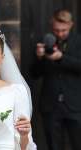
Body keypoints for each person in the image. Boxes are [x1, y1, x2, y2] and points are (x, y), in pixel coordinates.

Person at [32, 9, 81, 150]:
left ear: (71, 24)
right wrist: (39, 58)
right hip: (51, 105)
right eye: (56, 30)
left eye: (63, 30)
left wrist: (61, 58)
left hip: (75, 105)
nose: (59, 33)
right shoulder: (43, 41)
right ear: (51, 25)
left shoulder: (79, 41)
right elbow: (34, 73)